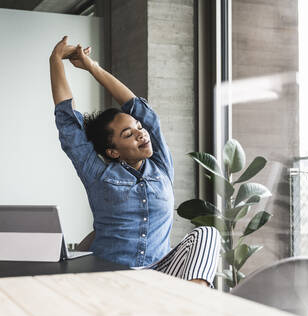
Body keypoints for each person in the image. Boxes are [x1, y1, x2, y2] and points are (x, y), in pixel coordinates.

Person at [49, 36, 220, 287]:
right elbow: (68, 123)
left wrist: (92, 67)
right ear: (113, 152)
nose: (141, 133)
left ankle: (191, 307)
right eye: (128, 134)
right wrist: (55, 61)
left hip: (159, 273)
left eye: (138, 128)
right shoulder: (98, 173)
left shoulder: (161, 164)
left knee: (207, 233)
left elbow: (141, 111)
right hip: (111, 276)